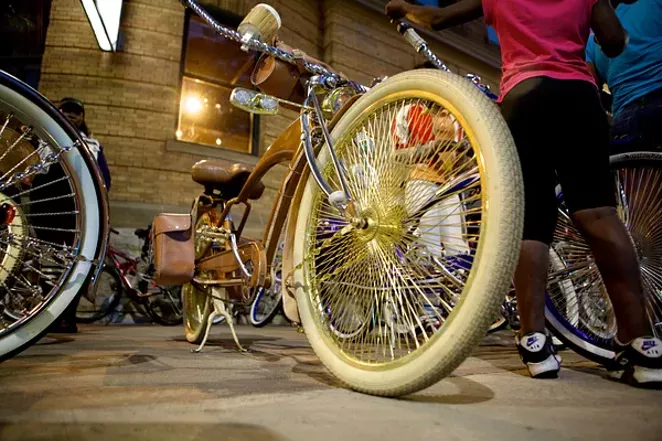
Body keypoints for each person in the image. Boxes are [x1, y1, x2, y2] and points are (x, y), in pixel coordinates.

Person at [386, 0, 662, 387]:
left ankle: (535, 343)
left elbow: (437, 17)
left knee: (531, 223)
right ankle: (643, 344)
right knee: (599, 214)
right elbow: (614, 41)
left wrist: (404, 9)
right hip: (579, 100)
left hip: (523, 99)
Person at [45, 98, 111, 333]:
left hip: (80, 215)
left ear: (83, 117)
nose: (71, 116)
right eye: (66, 111)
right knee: (49, 264)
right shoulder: (44, 137)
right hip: (49, 212)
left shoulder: (92, 144)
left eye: (76, 112)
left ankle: (67, 317)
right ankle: (47, 315)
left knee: (76, 265)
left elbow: (105, 181)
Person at [585, 0, 662, 153]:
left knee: (633, 175)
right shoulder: (655, 3)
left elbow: (591, 94)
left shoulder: (590, 45)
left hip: (625, 121)